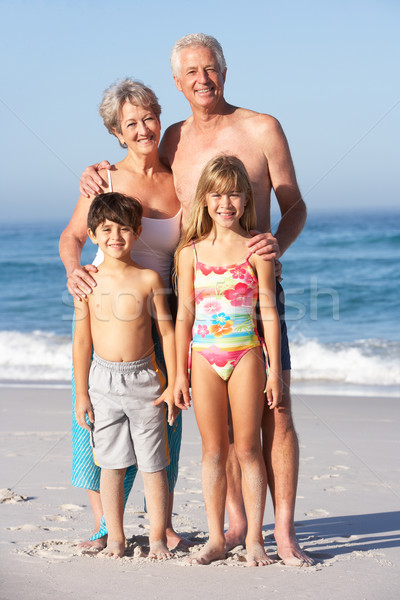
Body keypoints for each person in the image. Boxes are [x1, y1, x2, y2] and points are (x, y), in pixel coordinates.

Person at [79, 33, 313, 566]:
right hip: (198, 295)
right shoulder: (174, 140)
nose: (202, 79)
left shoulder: (262, 128)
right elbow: (140, 168)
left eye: (210, 68)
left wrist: (280, 241)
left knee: (277, 413)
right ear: (178, 83)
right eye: (190, 72)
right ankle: (232, 524)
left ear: (224, 71)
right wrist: (98, 172)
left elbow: (294, 205)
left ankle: (283, 529)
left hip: (255, 285)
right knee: (223, 429)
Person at [59, 79, 188, 551]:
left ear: (159, 117)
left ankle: (163, 525)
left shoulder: (180, 178)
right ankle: (104, 527)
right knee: (96, 427)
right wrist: (75, 272)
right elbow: (72, 237)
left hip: (160, 308)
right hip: (105, 305)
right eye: (129, 123)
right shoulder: (104, 180)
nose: (142, 129)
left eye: (148, 118)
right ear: (115, 132)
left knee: (164, 424)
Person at [174, 155, 282, 566]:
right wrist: (180, 372)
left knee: (249, 449)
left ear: (246, 199)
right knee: (213, 451)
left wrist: (273, 371)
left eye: (234, 194)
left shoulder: (257, 249)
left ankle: (255, 538)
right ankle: (216, 539)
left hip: (246, 354)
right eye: (217, 194)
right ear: (204, 200)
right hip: (203, 357)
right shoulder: (191, 253)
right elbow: (184, 312)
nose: (226, 203)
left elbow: (268, 310)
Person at [74, 192, 177, 559]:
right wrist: (82, 394)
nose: (115, 236)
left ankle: (158, 539)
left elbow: (166, 332)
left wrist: (174, 380)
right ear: (92, 234)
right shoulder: (88, 282)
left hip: (145, 379)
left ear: (137, 232)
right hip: (102, 381)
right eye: (106, 229)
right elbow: (82, 339)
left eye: (123, 229)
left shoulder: (148, 278)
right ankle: (115, 537)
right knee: (112, 464)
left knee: (153, 464)